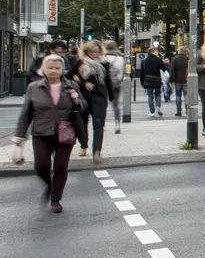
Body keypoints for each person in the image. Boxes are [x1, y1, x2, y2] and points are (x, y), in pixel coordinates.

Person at [11, 54, 87, 213]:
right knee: (41, 166)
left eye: (57, 68)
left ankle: (55, 198)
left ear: (62, 70)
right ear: (43, 69)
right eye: (50, 68)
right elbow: (26, 114)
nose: (53, 71)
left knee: (60, 167)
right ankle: (49, 185)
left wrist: (76, 100)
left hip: (65, 132)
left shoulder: (72, 86)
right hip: (41, 132)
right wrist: (19, 135)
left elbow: (83, 106)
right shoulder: (33, 87)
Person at [74, 40, 113, 164]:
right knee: (82, 122)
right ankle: (83, 145)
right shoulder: (79, 62)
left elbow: (107, 80)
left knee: (98, 123)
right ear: (86, 51)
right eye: (92, 51)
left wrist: (111, 96)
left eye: (97, 51)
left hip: (100, 96)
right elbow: (72, 78)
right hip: (84, 97)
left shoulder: (104, 64)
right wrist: (84, 83)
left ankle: (97, 151)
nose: (95, 54)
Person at [102, 41, 125, 134]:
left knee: (103, 104)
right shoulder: (120, 58)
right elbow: (121, 72)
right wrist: (119, 80)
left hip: (104, 83)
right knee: (116, 105)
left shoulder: (103, 57)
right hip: (115, 83)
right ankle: (117, 124)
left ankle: (102, 124)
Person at [140, 47, 166, 117]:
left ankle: (152, 112)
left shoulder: (144, 61)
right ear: (153, 52)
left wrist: (142, 82)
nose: (157, 53)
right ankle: (158, 106)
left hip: (148, 80)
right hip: (157, 80)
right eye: (156, 51)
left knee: (150, 96)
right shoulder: (158, 60)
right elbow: (164, 69)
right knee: (158, 94)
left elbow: (142, 73)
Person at [169, 47, 189, 117]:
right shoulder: (188, 58)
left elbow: (172, 70)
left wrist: (171, 80)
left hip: (177, 80)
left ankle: (178, 111)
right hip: (187, 80)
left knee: (178, 96)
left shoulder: (175, 59)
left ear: (179, 51)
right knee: (187, 96)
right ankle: (188, 110)